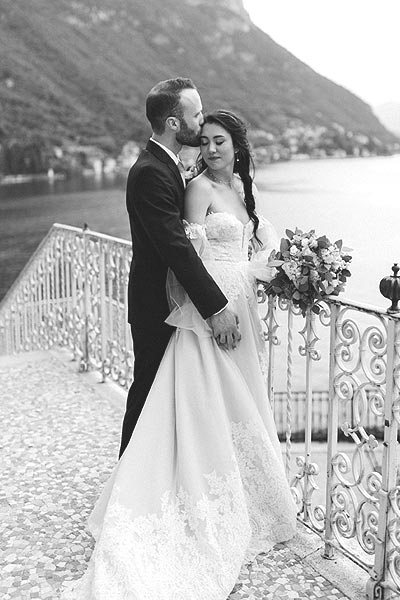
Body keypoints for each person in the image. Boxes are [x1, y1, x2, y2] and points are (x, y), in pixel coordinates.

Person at [61, 109, 297, 600]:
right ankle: (191, 498)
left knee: (240, 401)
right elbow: (184, 252)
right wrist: (211, 308)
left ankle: (243, 495)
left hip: (241, 305)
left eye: (219, 141)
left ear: (237, 146)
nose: (211, 149)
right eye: (205, 140)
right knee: (202, 402)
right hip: (211, 308)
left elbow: (252, 241)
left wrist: (281, 265)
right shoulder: (198, 189)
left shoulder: (241, 190)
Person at [119, 78, 241, 458]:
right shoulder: (151, 173)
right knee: (148, 393)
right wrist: (217, 308)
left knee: (168, 396)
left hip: (171, 303)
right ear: (173, 123)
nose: (202, 121)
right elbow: (176, 247)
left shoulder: (167, 166)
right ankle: (127, 482)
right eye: (196, 113)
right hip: (156, 306)